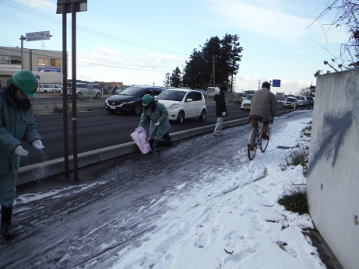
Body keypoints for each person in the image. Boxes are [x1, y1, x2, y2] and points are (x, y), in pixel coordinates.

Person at [0, 70, 44, 240]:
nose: (26, 97)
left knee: (8, 192)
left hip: (11, 158)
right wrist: (15, 144)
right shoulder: (1, 101)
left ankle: (5, 226)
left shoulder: (26, 105)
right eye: (23, 93)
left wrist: (34, 140)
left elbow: (30, 126)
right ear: (14, 88)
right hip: (7, 150)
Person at [249, 81, 277, 146]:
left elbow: (252, 102)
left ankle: (251, 144)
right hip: (263, 115)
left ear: (262, 86)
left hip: (252, 113)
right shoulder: (271, 95)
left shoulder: (255, 93)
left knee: (254, 127)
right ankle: (264, 135)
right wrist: (274, 114)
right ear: (269, 88)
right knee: (266, 123)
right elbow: (274, 107)